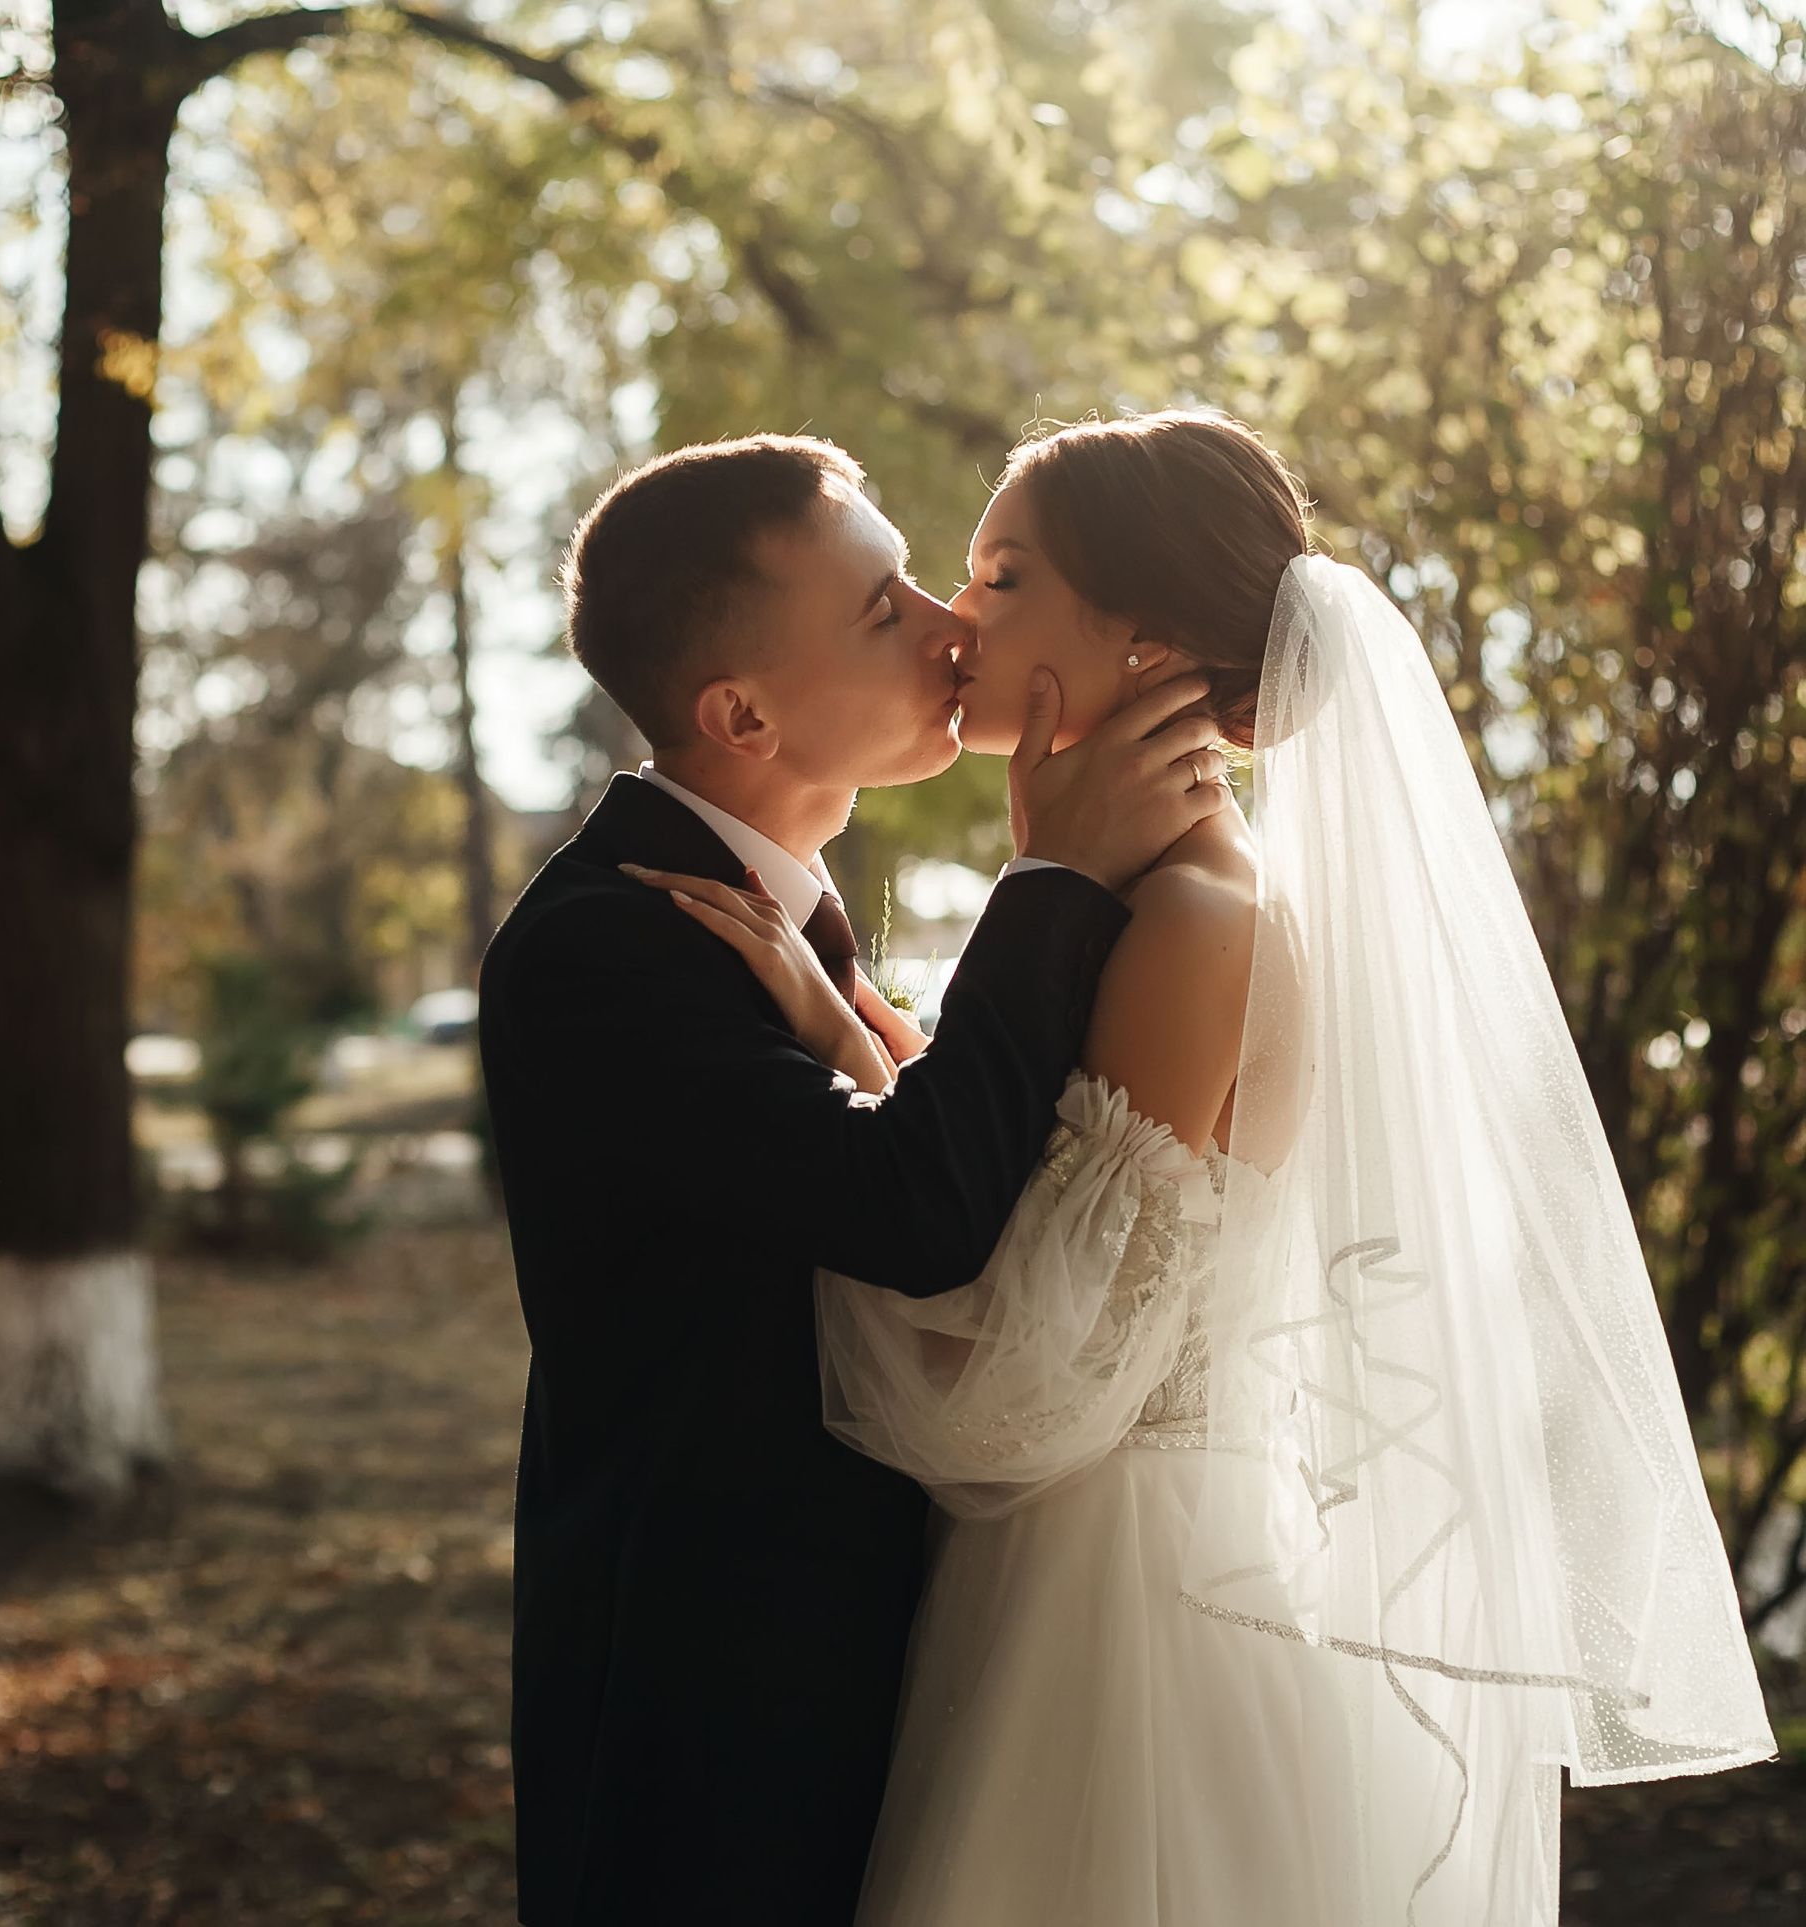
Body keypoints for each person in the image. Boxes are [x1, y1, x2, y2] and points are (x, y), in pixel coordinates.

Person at [633, 411, 1773, 1926]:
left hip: (1125, 1616)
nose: (961, 620)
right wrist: (872, 1041)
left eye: (1005, 574)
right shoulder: (1155, 896)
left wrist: (835, 1078)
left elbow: (1024, 1383)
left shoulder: (1196, 923)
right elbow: (1049, 1219)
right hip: (1096, 1571)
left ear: (1154, 641)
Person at [477, 433, 1234, 1926]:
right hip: (722, 1716)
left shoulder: (789, 921)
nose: (954, 627)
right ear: (740, 710)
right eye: (889, 607)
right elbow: (916, 1208)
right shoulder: (601, 949)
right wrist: (1054, 880)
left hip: (918, 1674)